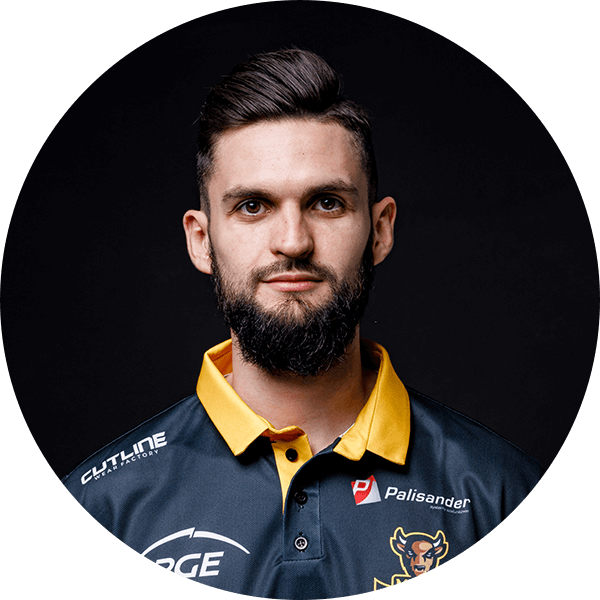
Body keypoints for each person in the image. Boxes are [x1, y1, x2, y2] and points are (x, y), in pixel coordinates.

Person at [62, 49, 540, 599]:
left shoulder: (506, 497)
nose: (293, 242)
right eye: (252, 206)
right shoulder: (97, 510)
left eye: (327, 203)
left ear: (380, 230)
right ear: (201, 240)